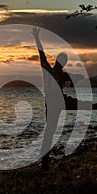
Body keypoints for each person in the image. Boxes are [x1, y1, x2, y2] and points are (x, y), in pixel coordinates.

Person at [31, 27, 73, 169]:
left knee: (51, 131)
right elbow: (41, 55)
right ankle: (44, 162)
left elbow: (72, 82)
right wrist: (37, 40)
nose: (62, 64)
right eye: (61, 61)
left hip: (58, 103)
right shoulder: (49, 70)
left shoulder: (62, 74)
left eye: (63, 62)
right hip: (51, 104)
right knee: (50, 131)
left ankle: (45, 161)